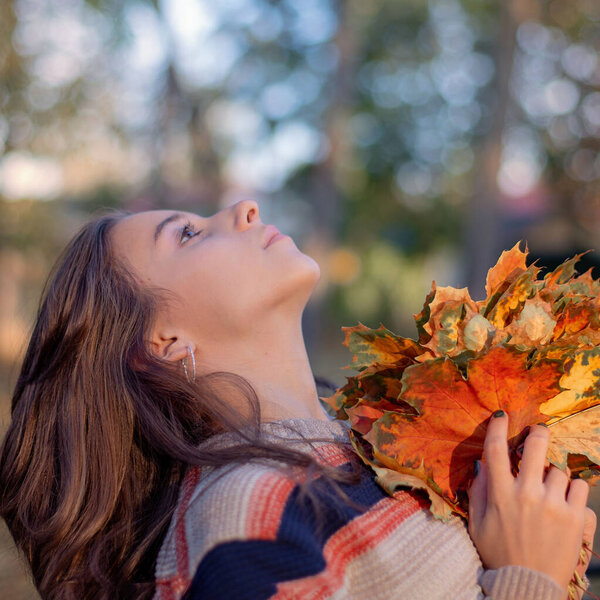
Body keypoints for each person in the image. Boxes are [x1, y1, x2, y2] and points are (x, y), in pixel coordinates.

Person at [0, 199, 596, 600]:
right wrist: (529, 578)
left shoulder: (367, 429)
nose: (244, 206)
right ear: (162, 342)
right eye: (187, 234)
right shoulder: (247, 515)